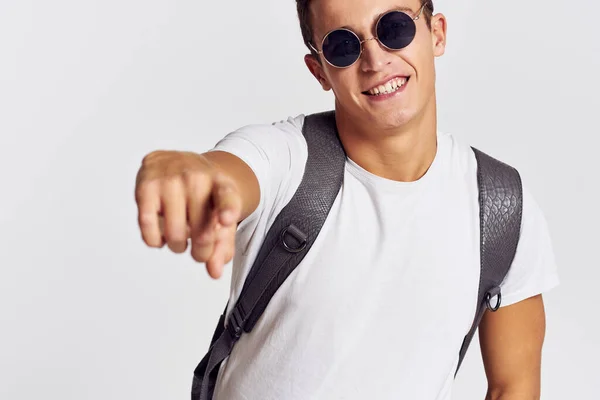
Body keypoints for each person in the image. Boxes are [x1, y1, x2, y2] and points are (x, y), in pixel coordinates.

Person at [134, 0, 560, 398]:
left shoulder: (503, 207)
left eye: (394, 28)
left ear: (436, 33)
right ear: (319, 71)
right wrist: (191, 173)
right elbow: (228, 173)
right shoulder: (286, 159)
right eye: (343, 45)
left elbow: (514, 385)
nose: (376, 61)